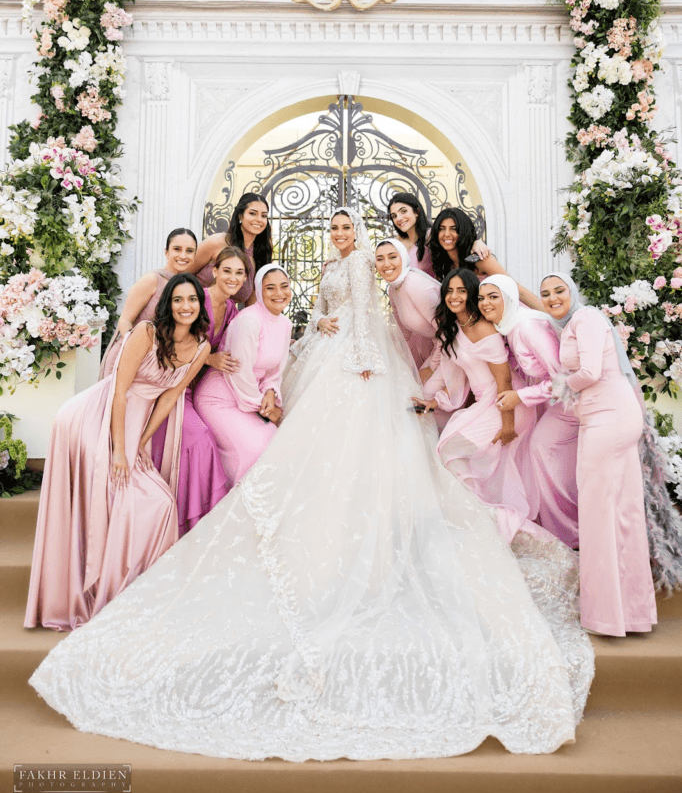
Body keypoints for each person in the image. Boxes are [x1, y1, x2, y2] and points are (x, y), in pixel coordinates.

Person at [27, 210, 593, 760]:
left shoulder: (369, 267)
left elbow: (372, 319)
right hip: (330, 350)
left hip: (360, 361)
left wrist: (367, 359)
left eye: (348, 227)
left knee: (368, 445)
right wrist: (319, 323)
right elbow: (325, 310)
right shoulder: (325, 270)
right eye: (337, 228)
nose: (341, 234)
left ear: (362, 234)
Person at [25, 273, 211, 632]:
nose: (185, 306)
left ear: (200, 306)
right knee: (117, 493)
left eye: (192, 300)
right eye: (178, 299)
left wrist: (140, 444)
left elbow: (170, 397)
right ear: (167, 304)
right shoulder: (146, 333)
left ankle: (139, 593)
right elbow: (120, 390)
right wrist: (119, 451)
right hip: (96, 417)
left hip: (135, 427)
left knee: (161, 503)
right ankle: (101, 591)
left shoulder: (202, 347)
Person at [539, 272, 657, 637]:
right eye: (545, 294)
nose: (552, 297)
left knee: (598, 511)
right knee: (621, 511)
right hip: (606, 416)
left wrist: (558, 386)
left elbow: (589, 371)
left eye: (559, 290)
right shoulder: (571, 322)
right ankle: (630, 613)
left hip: (608, 418)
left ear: (572, 293)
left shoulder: (586, 318)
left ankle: (606, 615)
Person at [418, 269, 551, 546]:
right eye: (449, 291)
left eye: (461, 291)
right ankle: (482, 518)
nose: (454, 296)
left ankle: (494, 521)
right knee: (450, 452)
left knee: (450, 450)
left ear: (470, 295)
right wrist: (434, 400)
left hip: (506, 404)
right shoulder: (454, 328)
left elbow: (503, 379)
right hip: (485, 403)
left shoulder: (483, 328)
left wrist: (508, 426)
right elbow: (452, 375)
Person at [151, 246, 249, 535]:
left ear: (245, 279)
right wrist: (208, 358)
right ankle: (191, 520)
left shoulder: (232, 310)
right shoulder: (197, 299)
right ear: (214, 272)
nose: (233, 277)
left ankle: (207, 520)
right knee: (201, 438)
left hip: (197, 387)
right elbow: (170, 339)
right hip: (171, 383)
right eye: (227, 270)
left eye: (239, 273)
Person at [477, 275, 580, 547]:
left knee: (543, 452)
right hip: (547, 402)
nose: (485, 303)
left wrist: (519, 396)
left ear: (509, 298)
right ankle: (555, 524)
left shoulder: (527, 326)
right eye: (481, 297)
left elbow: (562, 378)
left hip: (569, 404)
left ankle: (570, 530)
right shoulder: (508, 325)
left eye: (493, 296)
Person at [194, 263, 292, 487]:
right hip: (218, 399)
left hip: (248, 398)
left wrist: (270, 392)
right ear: (259, 290)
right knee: (256, 448)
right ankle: (230, 507)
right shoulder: (249, 320)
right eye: (270, 288)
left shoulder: (285, 324)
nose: (279, 294)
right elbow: (240, 373)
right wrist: (264, 408)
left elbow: (276, 370)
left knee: (277, 441)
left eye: (284, 286)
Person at [99, 227, 198, 378]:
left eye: (189, 251)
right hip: (129, 358)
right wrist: (135, 350)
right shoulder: (153, 280)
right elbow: (125, 320)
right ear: (166, 252)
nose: (183, 255)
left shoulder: (188, 288)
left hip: (156, 365)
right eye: (177, 249)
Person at [429, 208, 541, 310]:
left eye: (454, 229)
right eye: (442, 229)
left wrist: (551, 316)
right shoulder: (445, 264)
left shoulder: (480, 258)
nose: (447, 234)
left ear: (463, 231)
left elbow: (517, 290)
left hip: (507, 317)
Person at [374, 238, 441, 380]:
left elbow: (446, 331)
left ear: (403, 258)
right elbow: (403, 334)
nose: (386, 264)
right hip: (439, 348)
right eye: (380, 259)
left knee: (423, 392)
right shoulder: (394, 288)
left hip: (454, 348)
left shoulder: (414, 284)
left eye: (392, 257)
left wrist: (432, 367)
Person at [192, 193, 272, 306]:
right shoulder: (217, 242)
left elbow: (251, 306)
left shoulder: (260, 255)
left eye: (264, 216)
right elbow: (181, 274)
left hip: (224, 320)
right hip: (191, 313)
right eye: (252, 213)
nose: (259, 219)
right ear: (240, 215)